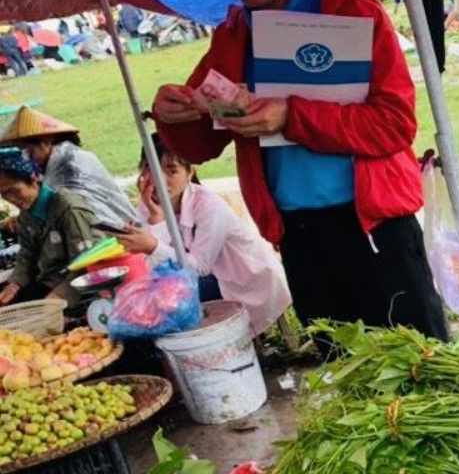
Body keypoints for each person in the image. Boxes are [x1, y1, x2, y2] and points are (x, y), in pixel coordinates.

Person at [150, 0, 448, 340]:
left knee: (421, 366)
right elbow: (203, 145)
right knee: (345, 379)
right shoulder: (231, 36)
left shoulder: (349, 11)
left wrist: (290, 115)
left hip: (376, 230)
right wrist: (176, 118)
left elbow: (393, 124)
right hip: (299, 237)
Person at [117, 134, 291, 336]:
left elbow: (199, 267)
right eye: (150, 168)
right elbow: (156, 264)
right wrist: (156, 219)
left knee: (167, 301)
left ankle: (201, 353)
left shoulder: (209, 206)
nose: (159, 180)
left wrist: (153, 244)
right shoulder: (150, 204)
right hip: (207, 277)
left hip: (245, 282)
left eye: (171, 171)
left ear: (190, 173)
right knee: (147, 295)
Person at [0, 107, 139, 228]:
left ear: (45, 142)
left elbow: (57, 203)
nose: (26, 158)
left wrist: (22, 221)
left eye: (29, 151)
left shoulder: (68, 163)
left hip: (115, 230)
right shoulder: (57, 159)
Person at [0, 149, 97, 305]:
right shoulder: (27, 213)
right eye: (4, 194)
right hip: (49, 281)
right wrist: (15, 283)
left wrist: (57, 298)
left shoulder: (68, 208)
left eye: (14, 191)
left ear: (32, 180)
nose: (11, 199)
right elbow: (27, 253)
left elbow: (86, 263)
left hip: (78, 286)